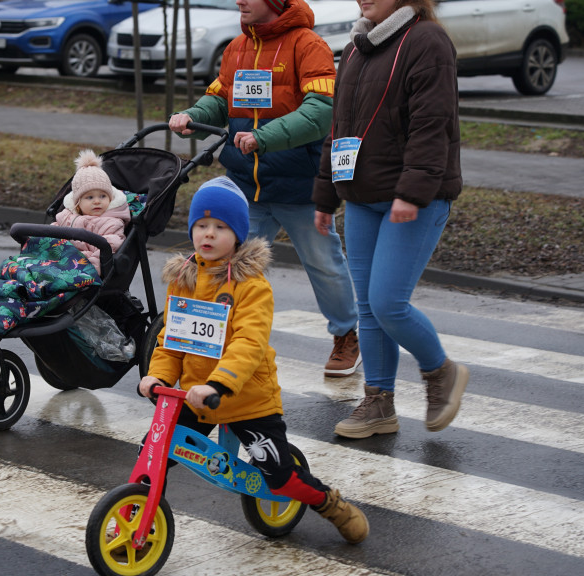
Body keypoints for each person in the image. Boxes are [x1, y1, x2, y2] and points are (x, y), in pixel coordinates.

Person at [139, 176, 369, 544]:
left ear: (239, 235)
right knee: (152, 451)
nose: (208, 234)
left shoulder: (252, 286)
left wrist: (218, 384)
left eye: (220, 227)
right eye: (201, 225)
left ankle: (329, 503)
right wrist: (158, 378)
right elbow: (171, 341)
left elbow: (248, 342)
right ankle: (142, 519)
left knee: (280, 474)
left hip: (246, 399)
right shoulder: (183, 279)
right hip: (195, 397)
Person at [167, 0, 361, 379]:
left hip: (299, 187)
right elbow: (219, 99)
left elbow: (321, 110)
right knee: (223, 267)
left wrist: (264, 138)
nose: (240, 1)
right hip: (245, 188)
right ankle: (217, 343)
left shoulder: (308, 45)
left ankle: (346, 336)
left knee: (324, 265)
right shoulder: (236, 47)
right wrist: (194, 114)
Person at [311, 0, 469, 439]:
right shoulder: (359, 46)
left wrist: (412, 191)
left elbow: (431, 123)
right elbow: (338, 127)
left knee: (387, 302)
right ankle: (379, 403)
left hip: (414, 198)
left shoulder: (426, 40)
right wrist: (325, 195)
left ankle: (441, 372)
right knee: (368, 310)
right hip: (362, 197)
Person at [54, 149, 131, 275]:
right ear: (77, 202)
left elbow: (110, 246)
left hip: (82, 269)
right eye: (90, 197)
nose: (97, 201)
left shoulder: (112, 223)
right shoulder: (66, 217)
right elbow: (52, 235)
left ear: (110, 198)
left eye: (102, 196)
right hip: (59, 263)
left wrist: (88, 267)